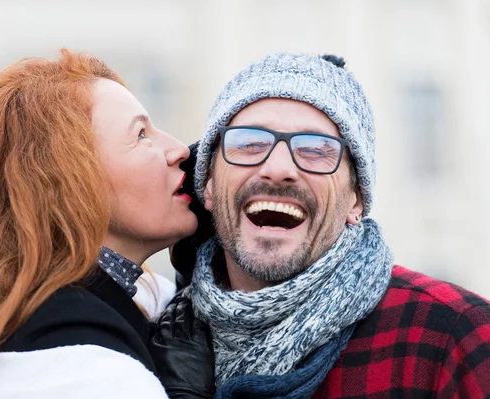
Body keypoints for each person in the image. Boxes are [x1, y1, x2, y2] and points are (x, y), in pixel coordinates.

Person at [0, 49, 214, 399]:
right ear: (68, 181)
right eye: (140, 135)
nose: (180, 150)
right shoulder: (73, 366)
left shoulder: (22, 326)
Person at [169, 52, 490, 398]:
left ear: (356, 199)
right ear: (209, 184)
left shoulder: (451, 336)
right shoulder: (157, 341)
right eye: (249, 143)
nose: (278, 168)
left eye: (316, 149)